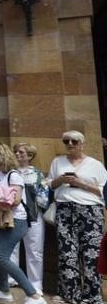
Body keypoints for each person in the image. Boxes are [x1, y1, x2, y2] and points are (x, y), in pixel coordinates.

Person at [0, 143, 45, 304]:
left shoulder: (13, 175)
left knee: (1, 256)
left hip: (15, 221)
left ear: (2, 154)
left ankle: (33, 295)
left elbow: (14, 201)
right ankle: (4, 291)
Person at [48, 130, 107, 304]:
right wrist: (60, 180)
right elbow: (50, 184)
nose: (70, 144)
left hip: (90, 211)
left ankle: (92, 296)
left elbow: (104, 190)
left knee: (92, 254)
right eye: (66, 141)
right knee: (67, 254)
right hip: (64, 210)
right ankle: (70, 294)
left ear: (82, 143)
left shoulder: (95, 164)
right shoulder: (57, 162)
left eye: (74, 141)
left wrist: (81, 184)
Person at [9, 143, 48, 295]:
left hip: (33, 216)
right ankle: (11, 279)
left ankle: (35, 284)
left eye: (21, 152)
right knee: (11, 248)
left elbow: (44, 197)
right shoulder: (11, 173)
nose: (18, 154)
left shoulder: (37, 174)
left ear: (30, 156)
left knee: (35, 250)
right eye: (16, 152)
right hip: (13, 215)